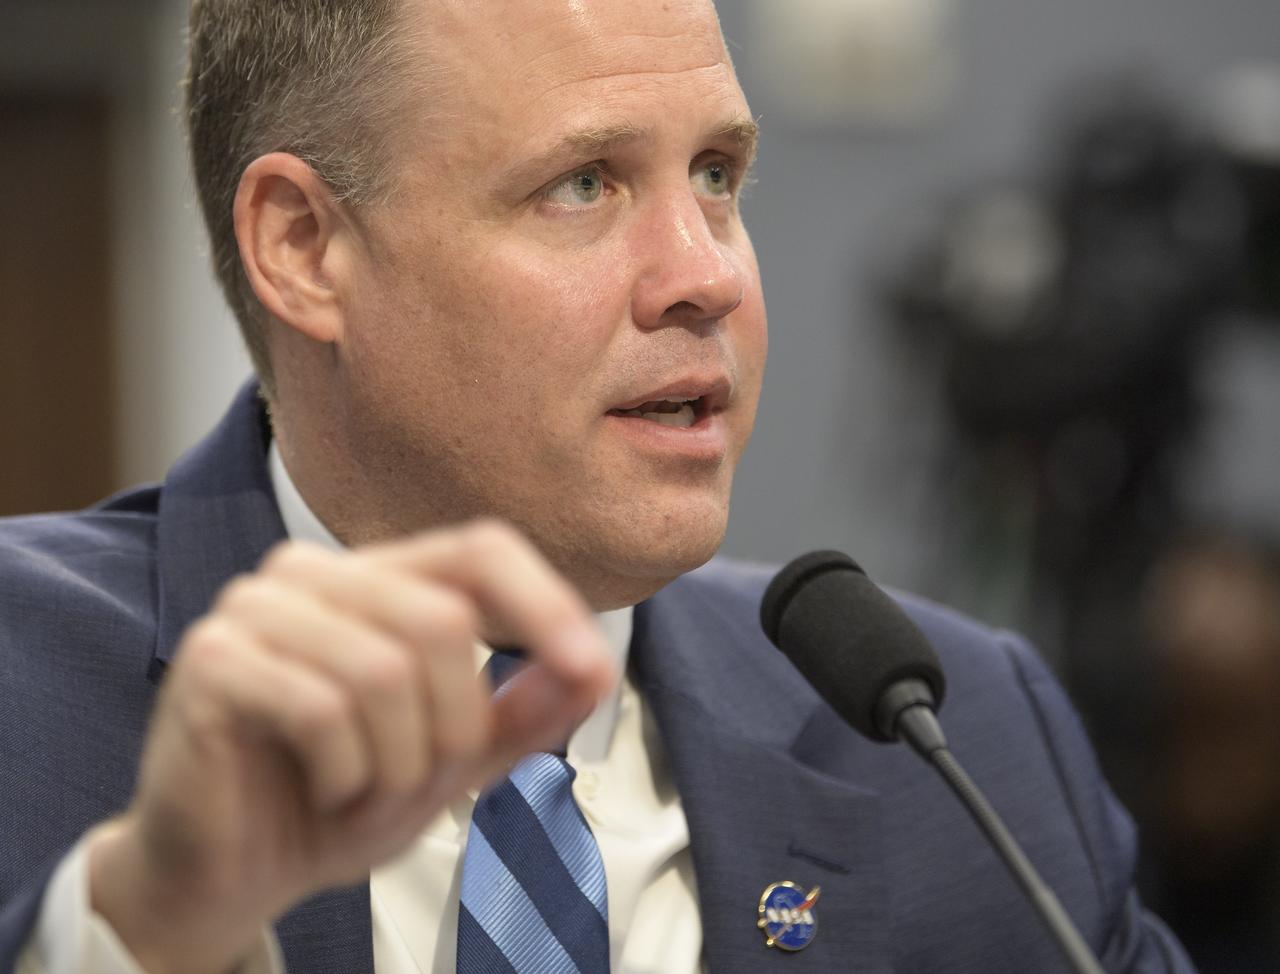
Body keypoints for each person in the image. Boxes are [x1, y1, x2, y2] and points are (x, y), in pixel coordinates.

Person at [0, 0, 1194, 971]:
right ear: (304, 247)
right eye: (584, 184)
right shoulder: (23, 689)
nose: (705, 274)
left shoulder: (958, 740)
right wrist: (139, 933)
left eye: (718, 174)